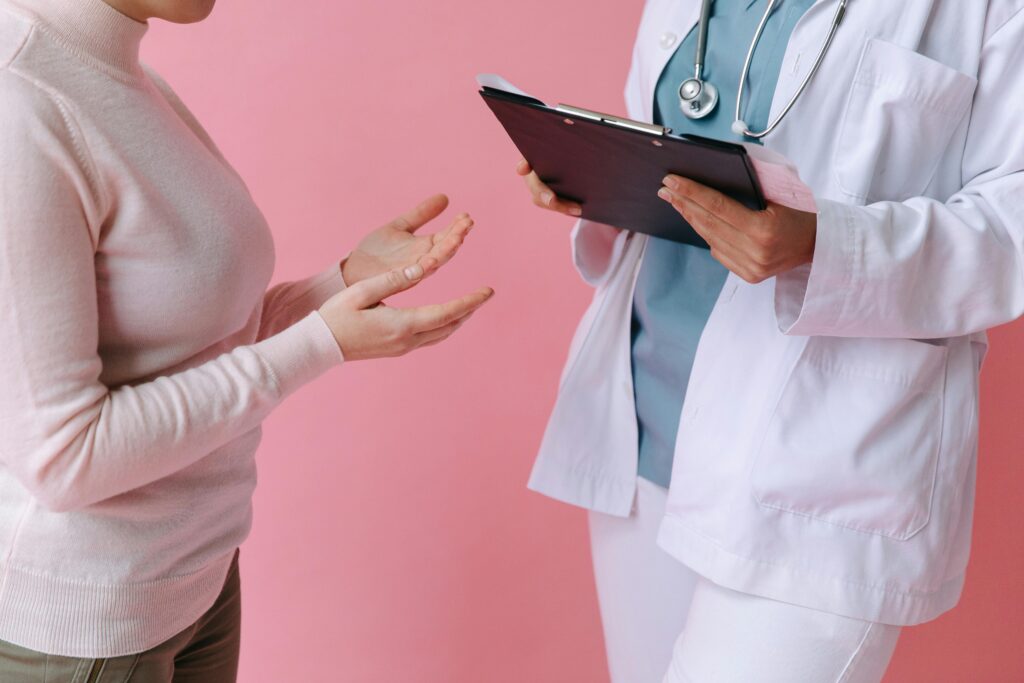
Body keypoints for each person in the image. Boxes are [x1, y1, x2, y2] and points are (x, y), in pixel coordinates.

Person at [518, 0, 1024, 681]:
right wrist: (596, 174)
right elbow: (675, 126)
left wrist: (826, 245)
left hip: (825, 456)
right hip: (647, 421)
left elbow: (1011, 226)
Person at [0, 0, 493, 679]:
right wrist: (321, 342)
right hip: (88, 626)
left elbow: (197, 343)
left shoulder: (118, 73)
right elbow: (62, 457)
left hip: (196, 582)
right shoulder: (19, 101)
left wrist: (337, 288)